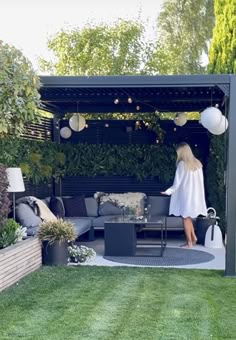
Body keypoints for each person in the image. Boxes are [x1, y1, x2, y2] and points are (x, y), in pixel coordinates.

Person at [161, 142, 207, 248]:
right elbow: (201, 182)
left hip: (186, 196)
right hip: (195, 195)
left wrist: (168, 191)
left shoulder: (182, 164)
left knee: (185, 218)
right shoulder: (197, 164)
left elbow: (177, 182)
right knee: (188, 217)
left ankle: (189, 242)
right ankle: (193, 237)